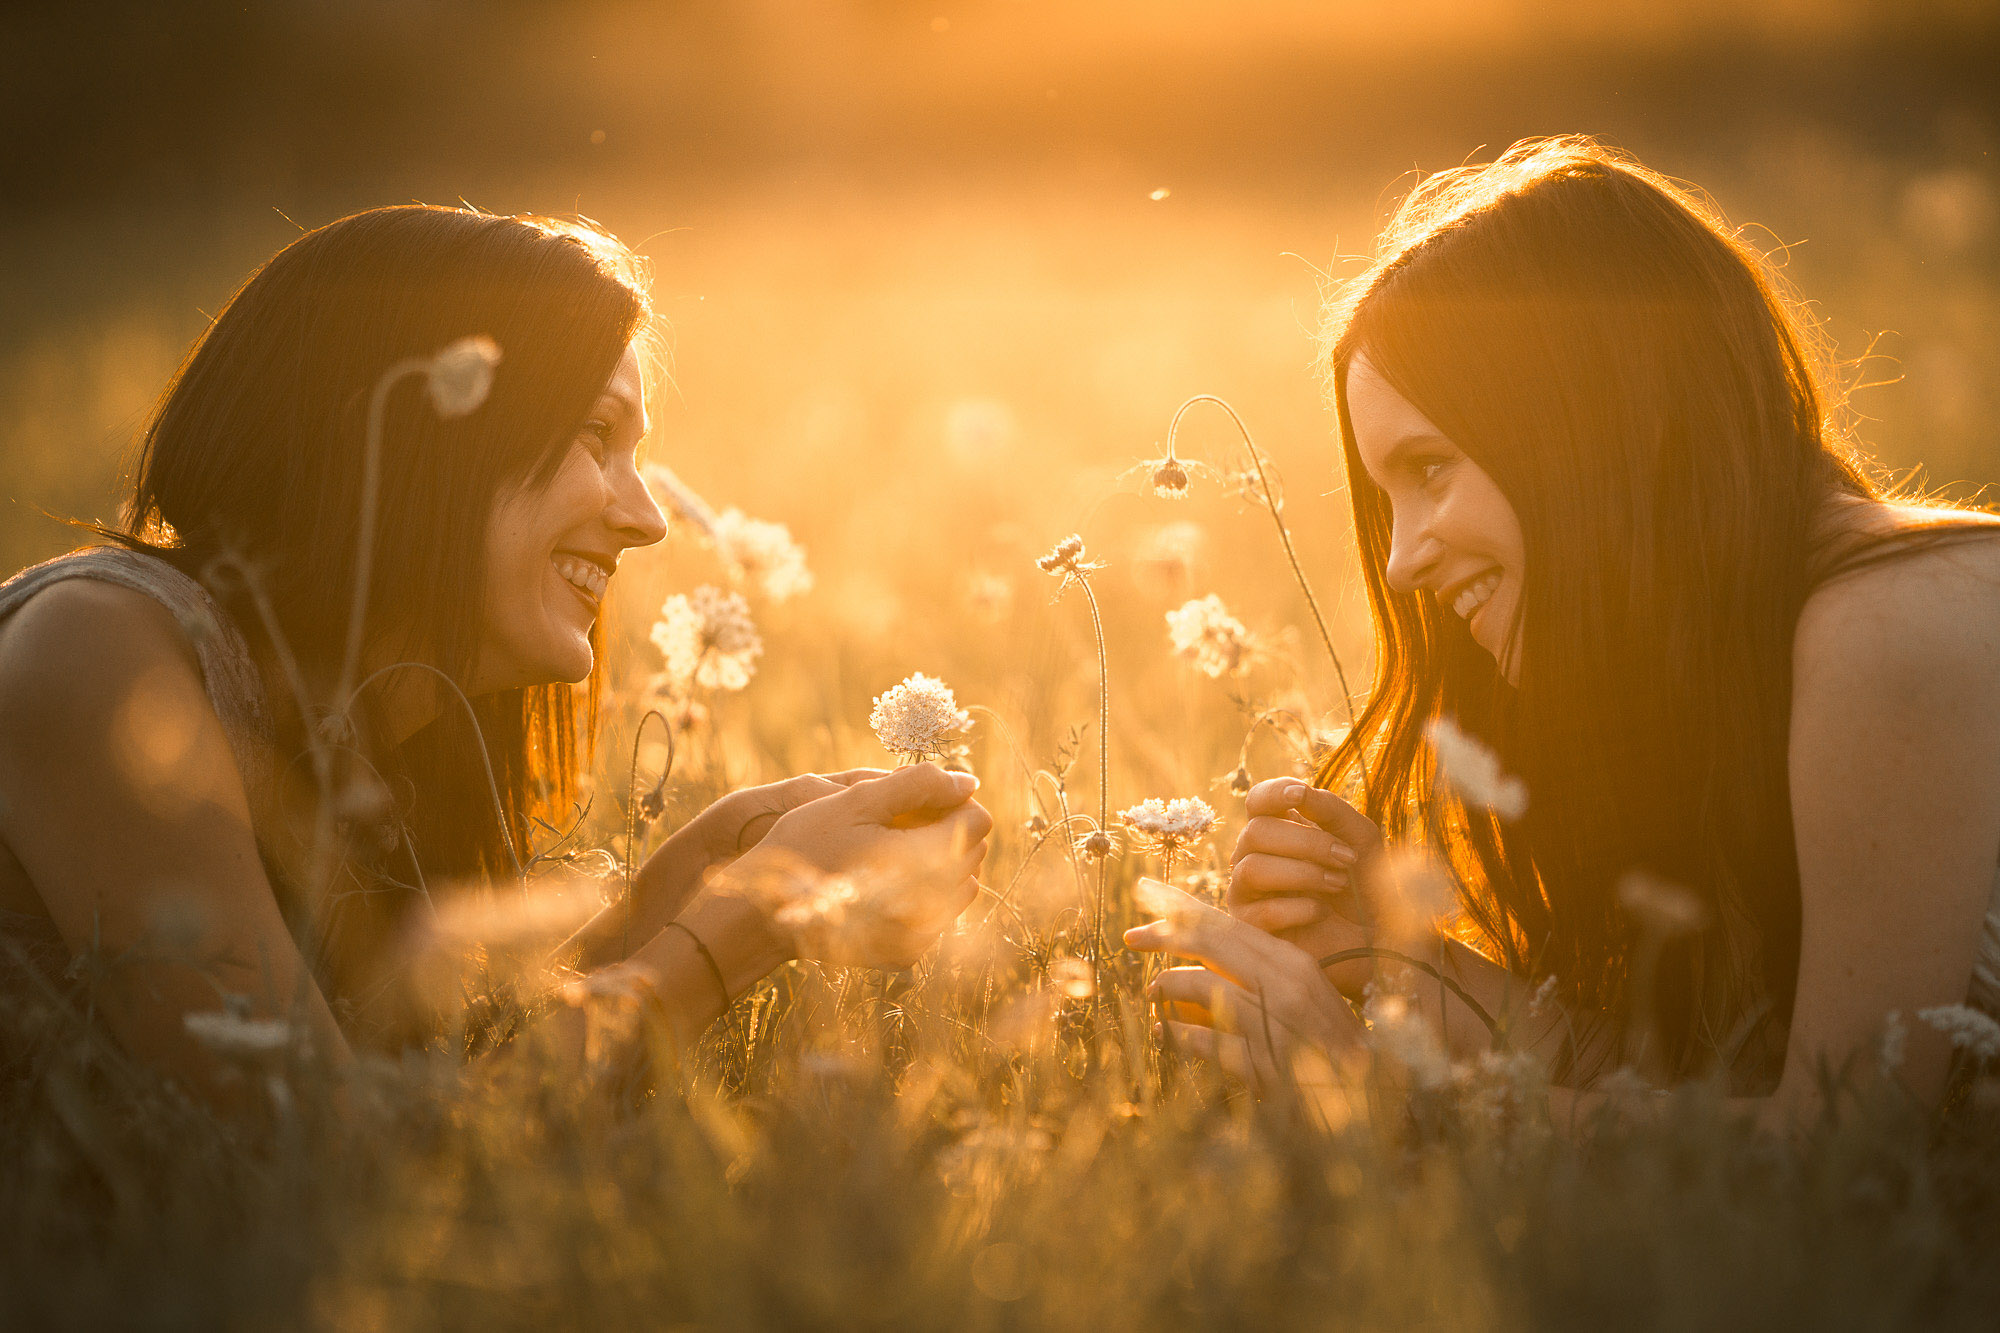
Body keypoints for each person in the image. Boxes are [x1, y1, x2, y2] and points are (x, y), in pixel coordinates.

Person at [0, 205, 991, 1108]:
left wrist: (694, 875)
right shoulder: (97, 652)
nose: (646, 519)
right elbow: (314, 1165)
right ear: (401, 440)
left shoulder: (378, 733)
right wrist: (744, 927)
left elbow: (435, 1088)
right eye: (594, 433)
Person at [1127, 137, 2000, 1126]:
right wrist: (1397, 956)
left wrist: (1389, 1106)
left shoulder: (1894, 629)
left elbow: (1838, 1155)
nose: (1403, 558)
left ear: (1586, 427)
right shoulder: (1730, 656)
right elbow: (1703, 1083)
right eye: (1387, 497)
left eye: (1429, 469)